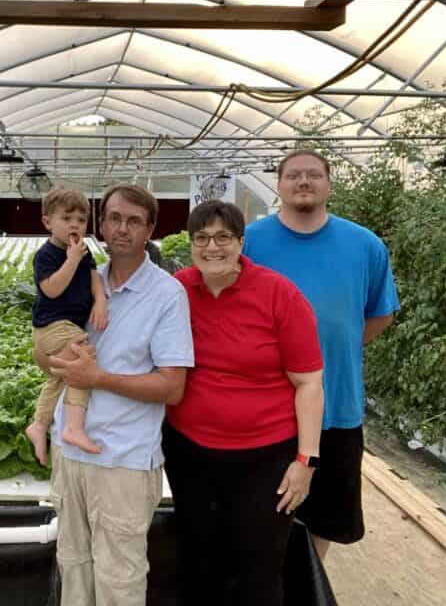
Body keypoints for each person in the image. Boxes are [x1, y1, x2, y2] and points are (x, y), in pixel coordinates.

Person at [164, 201, 324, 606]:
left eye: (223, 237)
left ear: (240, 242)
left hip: (265, 458)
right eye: (202, 238)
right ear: (191, 244)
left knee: (259, 566)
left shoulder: (278, 294)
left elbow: (308, 383)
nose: (211, 247)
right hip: (189, 453)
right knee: (198, 559)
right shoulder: (177, 290)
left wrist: (305, 462)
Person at [243, 149, 400, 559]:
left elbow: (382, 313)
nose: (304, 182)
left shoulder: (365, 245)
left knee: (324, 517)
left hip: (336, 406)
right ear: (278, 184)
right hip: (266, 408)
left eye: (314, 175)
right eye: (293, 175)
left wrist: (332, 350)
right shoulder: (250, 242)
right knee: (265, 514)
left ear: (330, 184)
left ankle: (312, 584)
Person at [48, 183, 193, 606]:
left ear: (150, 229)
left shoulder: (166, 294)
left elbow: (172, 387)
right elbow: (50, 347)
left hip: (122, 461)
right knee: (73, 567)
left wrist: (97, 377)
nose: (122, 229)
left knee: (119, 581)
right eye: (114, 218)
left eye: (134, 221)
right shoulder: (81, 278)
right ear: (101, 224)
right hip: (69, 454)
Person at [24, 187, 108, 465]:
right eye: (67, 218)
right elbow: (51, 289)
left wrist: (100, 301)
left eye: (81, 220)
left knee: (59, 377)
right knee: (83, 366)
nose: (75, 225)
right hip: (53, 326)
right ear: (47, 222)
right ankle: (73, 427)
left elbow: (94, 277)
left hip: (67, 326)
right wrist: (71, 260)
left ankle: (39, 425)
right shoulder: (46, 255)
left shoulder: (83, 250)